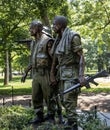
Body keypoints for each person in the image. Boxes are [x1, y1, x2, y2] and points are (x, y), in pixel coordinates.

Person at [50, 15, 85, 130]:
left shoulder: (73, 36)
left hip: (72, 73)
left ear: (59, 25)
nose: (53, 26)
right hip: (62, 73)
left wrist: (81, 75)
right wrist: (52, 74)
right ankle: (70, 122)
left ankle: (73, 125)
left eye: (54, 24)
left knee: (69, 100)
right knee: (63, 100)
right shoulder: (58, 39)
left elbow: (81, 57)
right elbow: (55, 58)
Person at [21, 20, 55, 124]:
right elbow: (32, 60)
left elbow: (55, 59)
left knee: (49, 97)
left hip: (46, 73)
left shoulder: (48, 41)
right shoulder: (33, 43)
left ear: (37, 28)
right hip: (36, 74)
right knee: (35, 96)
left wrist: (53, 74)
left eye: (31, 28)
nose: (29, 30)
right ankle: (39, 116)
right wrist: (26, 72)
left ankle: (50, 117)